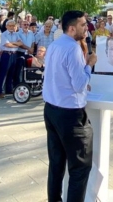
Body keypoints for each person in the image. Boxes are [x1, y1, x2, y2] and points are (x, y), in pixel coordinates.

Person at [42, 10, 97, 202]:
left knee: (56, 163)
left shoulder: (55, 45)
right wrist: (89, 65)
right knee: (80, 167)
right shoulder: (72, 48)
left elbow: (59, 75)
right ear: (72, 28)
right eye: (83, 25)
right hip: (70, 114)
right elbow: (79, 84)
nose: (86, 28)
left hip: (51, 109)